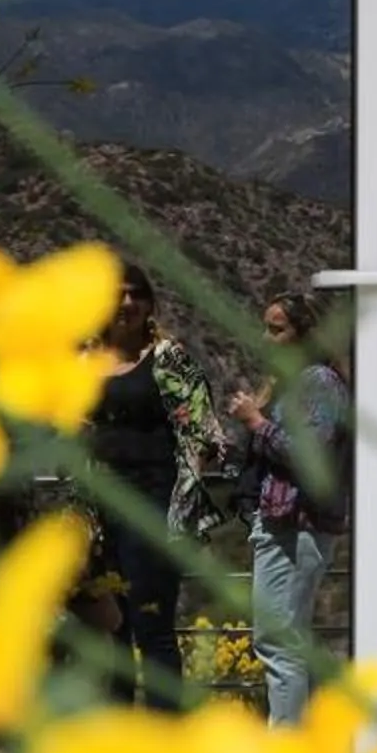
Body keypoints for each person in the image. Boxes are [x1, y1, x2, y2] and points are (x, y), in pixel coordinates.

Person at [83, 263, 221, 704]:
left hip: (154, 505)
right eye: (118, 294)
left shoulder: (168, 358)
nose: (127, 304)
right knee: (111, 628)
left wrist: (185, 507)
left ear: (150, 303)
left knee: (151, 625)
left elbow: (203, 431)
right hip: (99, 511)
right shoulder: (85, 360)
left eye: (136, 294)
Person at [228, 293, 351, 725]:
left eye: (276, 329)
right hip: (280, 521)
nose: (266, 337)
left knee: (278, 642)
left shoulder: (318, 382)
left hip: (297, 525)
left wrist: (256, 423)